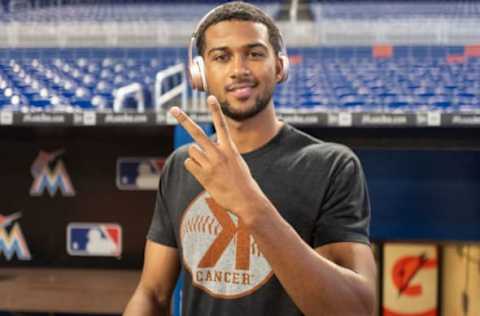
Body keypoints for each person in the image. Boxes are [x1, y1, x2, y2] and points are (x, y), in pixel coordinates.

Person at [123, 2, 376, 316]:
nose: (239, 69)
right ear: (199, 73)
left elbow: (354, 309)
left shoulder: (331, 166)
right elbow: (152, 294)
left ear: (280, 67)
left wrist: (249, 203)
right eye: (222, 56)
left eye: (254, 54)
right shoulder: (183, 165)